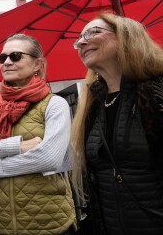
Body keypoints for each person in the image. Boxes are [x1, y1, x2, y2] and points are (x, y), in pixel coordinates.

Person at [0, 34, 76, 235]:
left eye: (15, 56)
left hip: (49, 221)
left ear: (37, 64)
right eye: (2, 57)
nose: (6, 62)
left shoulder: (55, 104)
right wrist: (18, 146)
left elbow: (49, 158)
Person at [69, 13, 163, 235]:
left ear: (126, 37)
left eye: (94, 32)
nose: (82, 42)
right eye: (80, 38)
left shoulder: (157, 93)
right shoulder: (92, 104)